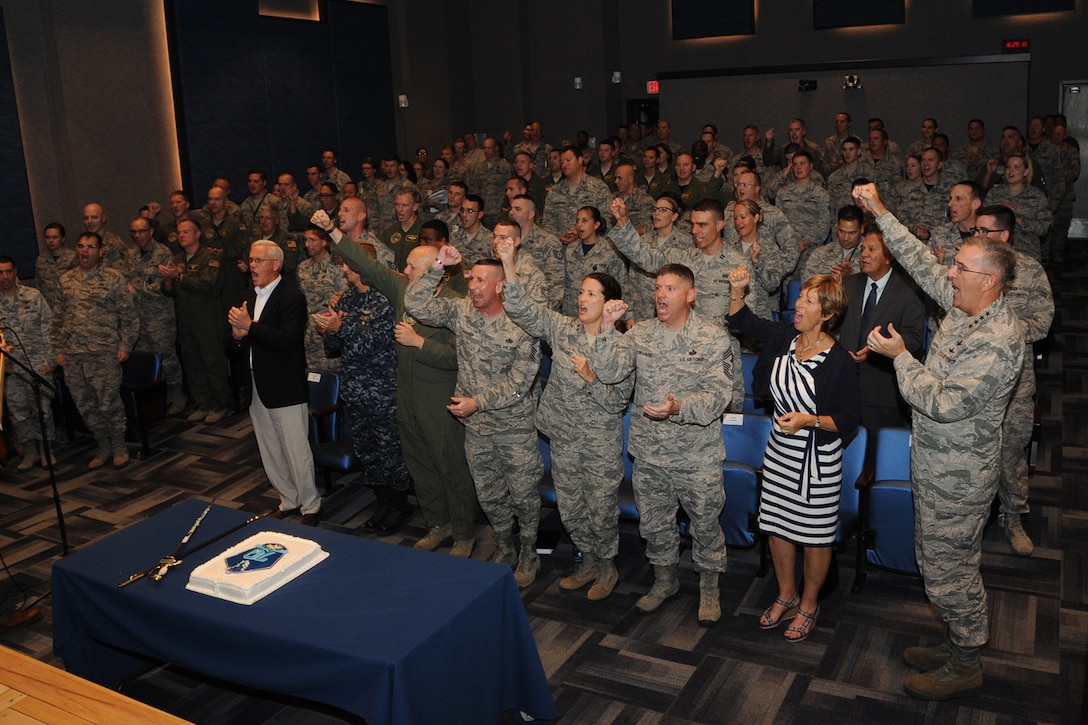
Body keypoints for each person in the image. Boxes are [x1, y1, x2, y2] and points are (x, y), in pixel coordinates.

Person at [854, 182, 1024, 700]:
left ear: (990, 282)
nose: (949, 273)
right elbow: (919, 260)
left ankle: (967, 659)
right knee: (934, 561)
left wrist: (901, 356)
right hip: (933, 464)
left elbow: (945, 402)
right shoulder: (966, 306)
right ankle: (956, 642)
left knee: (952, 570)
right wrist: (881, 210)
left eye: (961, 268)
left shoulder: (998, 339)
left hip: (960, 479)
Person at [320, 232, 478, 555]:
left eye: (411, 266)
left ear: (433, 269)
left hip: (439, 400)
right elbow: (369, 265)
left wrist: (420, 343)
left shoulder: (454, 303)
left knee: (450, 466)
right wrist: (334, 232)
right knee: (419, 464)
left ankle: (463, 532)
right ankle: (438, 524)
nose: (404, 271)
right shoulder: (404, 292)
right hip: (406, 397)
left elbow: (458, 357)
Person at [593, 263, 733, 626]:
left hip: (696, 455)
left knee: (705, 524)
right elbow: (608, 372)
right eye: (658, 287)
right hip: (650, 454)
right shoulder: (641, 334)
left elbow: (720, 396)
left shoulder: (713, 337)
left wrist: (678, 407)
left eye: (670, 288)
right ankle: (665, 581)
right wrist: (607, 329)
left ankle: (709, 587)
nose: (660, 295)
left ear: (690, 295)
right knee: (655, 525)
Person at [725, 267, 860, 641]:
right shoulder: (786, 335)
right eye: (800, 297)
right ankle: (786, 595)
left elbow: (849, 420)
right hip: (780, 452)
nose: (797, 304)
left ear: (828, 314)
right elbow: (742, 319)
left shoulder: (840, 362)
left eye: (808, 301)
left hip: (817, 461)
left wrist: (810, 420)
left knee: (815, 537)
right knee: (778, 527)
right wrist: (738, 290)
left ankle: (810, 604)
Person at [496, 238, 632, 599]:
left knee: (601, 510)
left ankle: (606, 568)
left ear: (608, 303)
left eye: (592, 294)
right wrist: (509, 262)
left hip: (599, 443)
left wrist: (591, 376)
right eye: (582, 292)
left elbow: (617, 401)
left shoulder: (622, 345)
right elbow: (524, 309)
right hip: (564, 437)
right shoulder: (564, 329)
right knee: (570, 508)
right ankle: (587, 561)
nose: (582, 299)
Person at [405, 247, 543, 587]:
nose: (473, 286)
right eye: (471, 278)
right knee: (489, 493)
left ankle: (528, 551)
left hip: (513, 428)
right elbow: (415, 304)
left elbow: (519, 384)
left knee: (523, 495)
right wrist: (438, 265)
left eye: (482, 280)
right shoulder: (461, 311)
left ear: (500, 286)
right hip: (477, 429)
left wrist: (476, 402)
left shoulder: (523, 323)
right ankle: (504, 546)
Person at [972, 206, 1054, 556]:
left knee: (1012, 453)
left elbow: (1043, 322)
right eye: (974, 230)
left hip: (1016, 382)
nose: (976, 236)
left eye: (983, 231)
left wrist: (1005, 330)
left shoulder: (1030, 271)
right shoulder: (970, 267)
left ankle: (1013, 518)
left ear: (1003, 236)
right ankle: (975, 518)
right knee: (975, 452)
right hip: (973, 379)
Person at [316, 247, 413, 534]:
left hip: (383, 391)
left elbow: (372, 343)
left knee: (390, 452)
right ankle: (381, 503)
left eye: (349, 264)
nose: (344, 270)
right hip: (355, 390)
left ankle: (399, 505)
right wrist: (330, 329)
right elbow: (333, 349)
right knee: (368, 452)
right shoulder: (345, 298)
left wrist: (340, 327)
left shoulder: (385, 300)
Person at [228, 241, 321, 526]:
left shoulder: (291, 297)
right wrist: (236, 335)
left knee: (295, 449)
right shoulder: (247, 295)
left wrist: (250, 327)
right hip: (256, 385)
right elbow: (232, 341)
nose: (252, 265)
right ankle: (288, 499)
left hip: (284, 386)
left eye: (258, 260)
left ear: (276, 264)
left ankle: (311, 506)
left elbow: (287, 340)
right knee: (269, 448)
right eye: (251, 260)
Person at [52, 232, 137, 469]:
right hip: (73, 355)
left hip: (104, 353)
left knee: (108, 402)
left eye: (90, 246)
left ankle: (119, 445)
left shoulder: (113, 279)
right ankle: (102, 445)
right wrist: (58, 348)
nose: (84, 251)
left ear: (100, 251)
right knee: (84, 404)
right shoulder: (66, 280)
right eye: (80, 246)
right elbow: (58, 317)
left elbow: (129, 317)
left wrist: (125, 346)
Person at [836, 226, 926, 443]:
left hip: (883, 391)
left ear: (889, 257)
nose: (864, 254)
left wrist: (876, 351)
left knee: (878, 455)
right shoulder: (848, 284)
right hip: (844, 385)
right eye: (864, 248)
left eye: (872, 249)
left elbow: (914, 339)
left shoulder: (910, 291)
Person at [160, 219, 228, 424]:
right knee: (193, 362)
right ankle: (203, 403)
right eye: (179, 232)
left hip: (207, 318)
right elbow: (167, 292)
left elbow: (206, 284)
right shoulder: (178, 259)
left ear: (198, 234)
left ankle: (219, 404)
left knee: (211, 361)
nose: (181, 235)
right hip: (186, 318)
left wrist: (179, 276)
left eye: (186, 232)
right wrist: (167, 279)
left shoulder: (211, 257)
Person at [0, 256, 56, 472]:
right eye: (0, 273)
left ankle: (46, 450)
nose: (5, 277)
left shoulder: (33, 296)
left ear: (15, 272)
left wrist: (50, 360)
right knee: (18, 412)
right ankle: (30, 452)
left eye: (8, 271)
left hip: (37, 364)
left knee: (42, 411)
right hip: (11, 369)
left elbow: (49, 329)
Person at [126, 216, 185, 414]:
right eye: (134, 232)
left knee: (166, 356)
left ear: (150, 231)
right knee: (146, 358)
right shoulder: (130, 254)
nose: (138, 236)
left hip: (159, 316)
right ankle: (154, 399)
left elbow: (163, 286)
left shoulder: (162, 253)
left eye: (142, 231)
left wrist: (136, 289)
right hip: (138, 317)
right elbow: (124, 281)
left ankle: (177, 393)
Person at [983, 153, 1052, 262]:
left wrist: (1018, 218)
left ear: (1026, 172)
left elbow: (1044, 228)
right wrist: (1001, 212)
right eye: (1008, 167)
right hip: (996, 253)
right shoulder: (994, 193)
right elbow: (982, 224)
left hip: (1027, 254)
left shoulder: (1036, 195)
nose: (1011, 170)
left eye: (1016, 167)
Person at [561, 206, 627, 317]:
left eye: (585, 221)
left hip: (598, 315)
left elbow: (621, 285)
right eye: (577, 221)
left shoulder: (610, 252)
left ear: (596, 225)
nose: (579, 225)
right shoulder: (571, 249)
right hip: (571, 312)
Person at [296, 226, 345, 372]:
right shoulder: (303, 268)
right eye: (306, 240)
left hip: (328, 332)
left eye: (312, 240)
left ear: (324, 242)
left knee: (332, 378)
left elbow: (341, 299)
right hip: (309, 333)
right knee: (312, 377)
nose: (307, 245)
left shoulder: (336, 267)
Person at [35, 223, 77, 315]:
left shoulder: (73, 258)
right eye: (47, 237)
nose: (51, 240)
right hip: (49, 309)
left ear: (62, 239)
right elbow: (39, 285)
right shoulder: (41, 260)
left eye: (55, 237)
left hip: (70, 308)